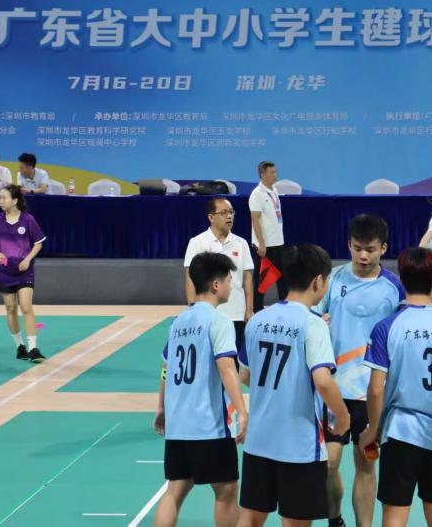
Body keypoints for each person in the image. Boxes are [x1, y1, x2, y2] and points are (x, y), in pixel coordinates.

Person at [237, 244, 351, 527]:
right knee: (296, 521)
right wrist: (343, 416)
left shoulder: (257, 320)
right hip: (299, 444)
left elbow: (245, 375)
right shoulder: (313, 325)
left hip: (259, 440)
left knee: (250, 518)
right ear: (318, 281)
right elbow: (323, 381)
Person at [360, 247, 432, 527]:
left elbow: (375, 389)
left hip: (401, 433)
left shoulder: (387, 326)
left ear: (401, 279)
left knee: (394, 517)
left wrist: (372, 430)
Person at [315, 214, 405, 527]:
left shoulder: (394, 287)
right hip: (334, 390)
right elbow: (310, 314)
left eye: (370, 249)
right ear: (349, 245)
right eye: (357, 248)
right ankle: (335, 518)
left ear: (384, 248)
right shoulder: (333, 279)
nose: (363, 255)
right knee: (329, 463)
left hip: (373, 392)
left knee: (366, 466)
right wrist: (317, 321)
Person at [153, 252, 249, 527]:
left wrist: (161, 408)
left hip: (178, 426)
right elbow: (227, 368)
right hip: (209, 426)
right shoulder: (219, 321)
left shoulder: (178, 322)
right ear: (216, 285)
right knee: (226, 490)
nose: (231, 286)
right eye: (229, 280)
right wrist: (242, 411)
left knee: (174, 491)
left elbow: (166, 369)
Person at [184, 198, 255, 356]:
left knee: (232, 360)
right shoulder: (197, 242)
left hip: (236, 315)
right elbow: (190, 278)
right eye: (223, 213)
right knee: (207, 358)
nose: (229, 216)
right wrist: (192, 308)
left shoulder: (241, 243)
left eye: (231, 212)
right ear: (211, 217)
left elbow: (247, 279)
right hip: (206, 315)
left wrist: (249, 310)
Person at [0, 185, 47, 362]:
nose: (0, 201)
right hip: (4, 271)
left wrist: (28, 259)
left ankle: (33, 349)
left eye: (4, 198)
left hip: (24, 271)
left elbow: (38, 243)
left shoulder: (28, 219)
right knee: (11, 308)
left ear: (14, 200)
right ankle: (20, 346)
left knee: (26, 306)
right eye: (0, 198)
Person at [250, 161, 287, 312]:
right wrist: (261, 243)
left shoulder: (274, 190)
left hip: (278, 242)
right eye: (272, 172)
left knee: (283, 277)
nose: (275, 175)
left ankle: (286, 306)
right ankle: (257, 309)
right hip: (265, 245)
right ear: (263, 174)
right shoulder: (257, 194)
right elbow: (255, 220)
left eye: (276, 172)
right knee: (262, 280)